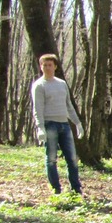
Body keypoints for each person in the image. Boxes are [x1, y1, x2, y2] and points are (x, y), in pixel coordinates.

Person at [31, 53, 84, 196]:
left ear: (55, 66)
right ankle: (56, 189)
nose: (47, 68)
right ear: (41, 67)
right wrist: (40, 127)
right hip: (50, 125)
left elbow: (69, 106)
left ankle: (76, 188)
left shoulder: (61, 84)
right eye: (44, 65)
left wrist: (77, 123)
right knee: (52, 159)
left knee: (72, 158)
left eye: (50, 65)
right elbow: (38, 109)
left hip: (64, 125)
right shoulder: (39, 86)